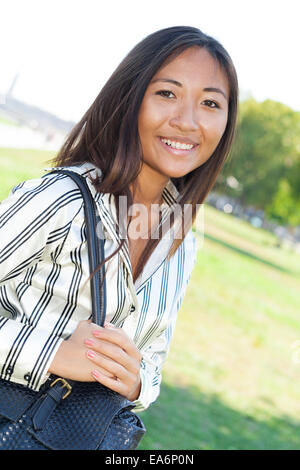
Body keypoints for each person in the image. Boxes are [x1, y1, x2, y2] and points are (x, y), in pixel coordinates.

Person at [0, 26, 238, 413]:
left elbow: (154, 358)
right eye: (167, 94)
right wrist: (52, 354)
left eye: (211, 103)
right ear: (130, 98)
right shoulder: (61, 200)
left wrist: (138, 382)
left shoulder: (183, 238)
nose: (188, 121)